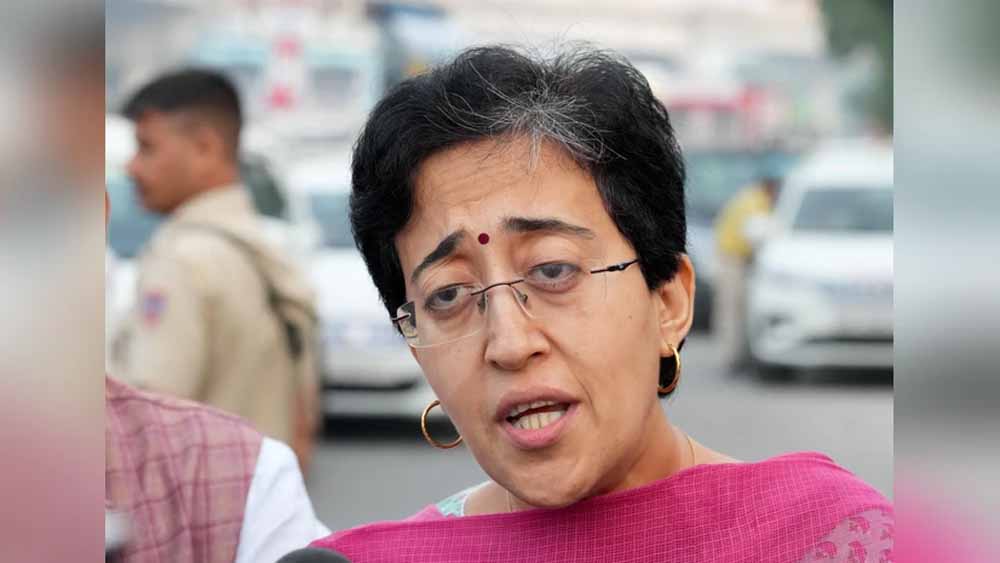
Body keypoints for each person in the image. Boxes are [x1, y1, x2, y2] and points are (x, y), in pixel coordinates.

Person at [309, 46, 892, 562]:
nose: (509, 344)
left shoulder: (831, 539)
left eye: (553, 271)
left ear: (669, 302)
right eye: (449, 295)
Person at [110, 69, 320, 472]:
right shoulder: (263, 251)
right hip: (261, 495)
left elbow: (147, 417)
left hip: (195, 499)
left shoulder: (182, 260)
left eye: (146, 148)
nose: (132, 167)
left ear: (205, 148)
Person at [712, 174, 781, 371]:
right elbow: (755, 235)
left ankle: (737, 355)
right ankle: (732, 358)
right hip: (733, 260)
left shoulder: (749, 197)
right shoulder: (755, 203)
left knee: (738, 310)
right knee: (733, 310)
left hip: (734, 258)